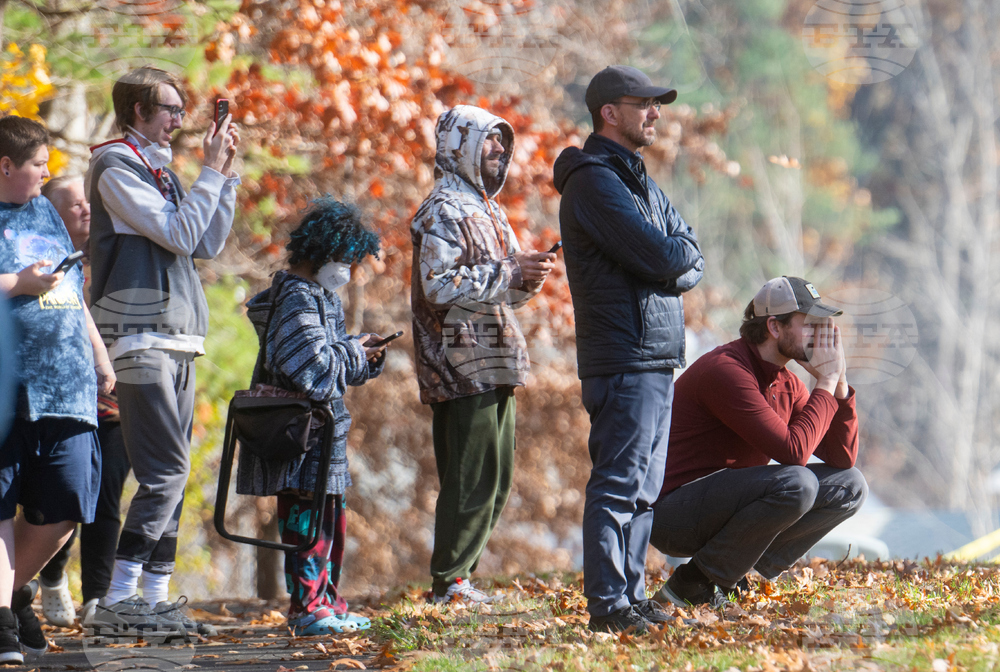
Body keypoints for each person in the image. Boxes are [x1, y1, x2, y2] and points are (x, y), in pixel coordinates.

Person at [85, 66, 239, 637]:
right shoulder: (115, 166)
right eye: (169, 109)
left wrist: (223, 176)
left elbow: (207, 241)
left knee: (169, 479)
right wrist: (208, 176)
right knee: (166, 471)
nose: (179, 119)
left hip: (178, 336)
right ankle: (119, 600)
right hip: (139, 335)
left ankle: (154, 598)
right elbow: (176, 235)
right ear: (136, 113)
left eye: (179, 108)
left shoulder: (164, 171)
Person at [552, 65, 704, 633]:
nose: (656, 112)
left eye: (656, 103)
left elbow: (690, 252)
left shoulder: (637, 179)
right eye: (644, 102)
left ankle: (632, 596)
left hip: (656, 355)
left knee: (644, 490)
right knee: (618, 484)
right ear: (609, 112)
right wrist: (672, 260)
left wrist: (673, 259)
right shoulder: (594, 182)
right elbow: (667, 257)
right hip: (623, 356)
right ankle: (609, 607)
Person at [411, 105, 555, 604]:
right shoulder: (441, 211)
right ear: (460, 146)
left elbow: (505, 289)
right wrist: (509, 271)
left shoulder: (488, 210)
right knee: (469, 476)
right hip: (458, 359)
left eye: (502, 142)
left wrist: (527, 277)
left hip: (495, 357)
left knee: (497, 479)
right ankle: (448, 582)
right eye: (489, 141)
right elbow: (437, 286)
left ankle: (461, 578)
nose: (500, 151)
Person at [650, 276, 867, 606]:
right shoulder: (726, 371)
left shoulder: (786, 382)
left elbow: (841, 459)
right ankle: (691, 584)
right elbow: (793, 452)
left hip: (721, 507)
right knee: (798, 482)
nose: (820, 336)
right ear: (774, 327)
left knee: (850, 485)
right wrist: (825, 380)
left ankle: (742, 576)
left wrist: (840, 385)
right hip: (673, 514)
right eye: (809, 324)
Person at [236, 197, 386, 635]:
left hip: (321, 439)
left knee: (329, 523)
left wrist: (361, 354)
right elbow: (314, 372)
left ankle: (326, 602)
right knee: (307, 525)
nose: (349, 271)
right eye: (346, 260)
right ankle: (307, 609)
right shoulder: (299, 299)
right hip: (302, 441)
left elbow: (332, 362)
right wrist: (353, 351)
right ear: (323, 253)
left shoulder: (318, 297)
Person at [0, 115, 115, 664]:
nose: (48, 175)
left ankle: (7, 591)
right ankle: (2, 618)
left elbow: (69, 285)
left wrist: (96, 351)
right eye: (39, 166)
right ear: (5, 166)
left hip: (66, 386)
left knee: (69, 501)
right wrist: (18, 284)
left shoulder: (44, 209)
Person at [33, 176, 132, 630]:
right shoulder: (37, 261)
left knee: (106, 498)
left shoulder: (115, 258)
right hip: (59, 402)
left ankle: (97, 597)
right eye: (73, 205)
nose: (85, 210)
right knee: (64, 501)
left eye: (86, 202)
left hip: (112, 401)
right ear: (51, 212)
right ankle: (51, 576)